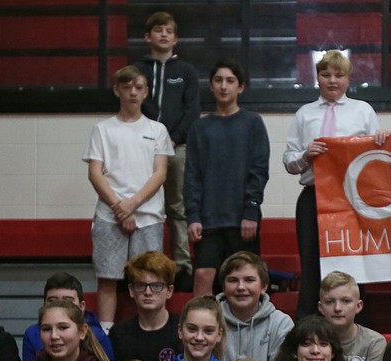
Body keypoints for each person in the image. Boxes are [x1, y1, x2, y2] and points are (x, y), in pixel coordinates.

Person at [284, 52, 385, 317]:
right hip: (313, 197)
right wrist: (306, 155)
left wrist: (383, 139)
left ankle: (357, 325)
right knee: (311, 267)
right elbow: (288, 161)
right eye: (326, 75)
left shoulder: (363, 111)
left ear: (348, 79)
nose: (332, 81)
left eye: (338, 75)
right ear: (317, 78)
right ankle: (308, 327)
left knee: (355, 265)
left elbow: (375, 158)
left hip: (352, 201)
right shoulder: (304, 114)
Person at [83, 65, 173, 327]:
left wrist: (131, 206)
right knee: (108, 278)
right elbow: (95, 173)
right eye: (127, 87)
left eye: (138, 87)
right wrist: (119, 208)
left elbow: (160, 174)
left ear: (146, 92)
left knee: (149, 280)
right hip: (109, 216)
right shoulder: (102, 129)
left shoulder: (157, 129)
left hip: (149, 217)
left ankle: (148, 330)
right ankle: (108, 336)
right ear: (117, 90)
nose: (133, 92)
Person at [185, 59, 270, 297]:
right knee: (203, 276)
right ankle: (201, 331)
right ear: (211, 86)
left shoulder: (253, 123)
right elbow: (192, 176)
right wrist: (192, 216)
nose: (224, 86)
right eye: (218, 80)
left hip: (243, 220)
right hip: (208, 219)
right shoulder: (199, 128)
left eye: (230, 81)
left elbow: (259, 169)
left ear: (240, 87)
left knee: (245, 280)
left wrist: (251, 211)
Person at [135, 10, 200, 287]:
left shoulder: (185, 71)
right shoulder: (138, 70)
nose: (164, 34)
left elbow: (192, 111)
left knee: (178, 207)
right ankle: (144, 262)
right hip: (142, 149)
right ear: (148, 36)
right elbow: (132, 106)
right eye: (158, 30)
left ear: (176, 39)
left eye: (169, 31)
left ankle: (182, 265)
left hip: (178, 146)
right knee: (144, 204)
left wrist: (171, 139)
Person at [216, 251, 293, 361]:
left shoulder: (280, 323)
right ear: (224, 287)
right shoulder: (211, 320)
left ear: (263, 287)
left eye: (249, 280)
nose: (241, 287)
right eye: (233, 280)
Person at [21, 272, 114, 361]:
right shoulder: (32, 334)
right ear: (44, 305)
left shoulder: (99, 336)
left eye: (68, 301)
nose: (60, 306)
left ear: (82, 306)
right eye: (52, 301)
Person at [109, 251, 181, 361]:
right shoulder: (119, 333)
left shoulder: (183, 329)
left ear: (169, 291)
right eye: (141, 286)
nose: (148, 292)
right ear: (131, 290)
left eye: (157, 286)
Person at [318, 271, 386, 361]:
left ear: (358, 306)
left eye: (345, 301)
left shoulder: (374, 342)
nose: (337, 308)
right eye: (330, 302)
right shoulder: (311, 343)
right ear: (321, 308)